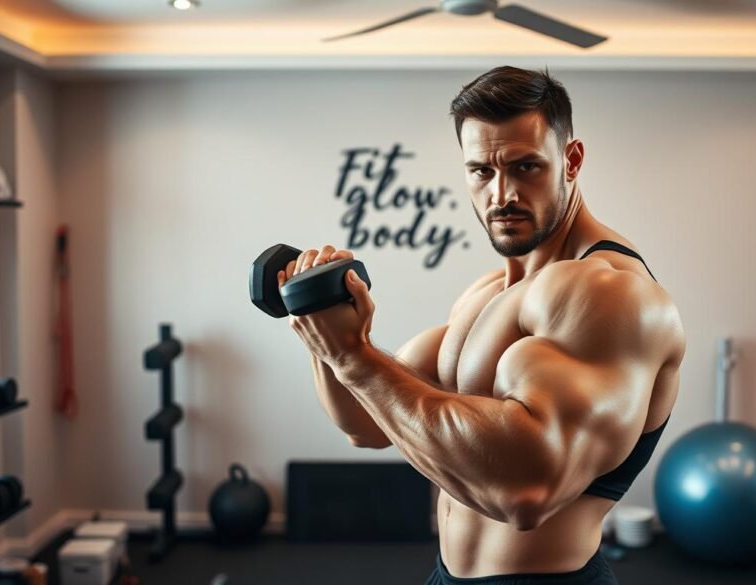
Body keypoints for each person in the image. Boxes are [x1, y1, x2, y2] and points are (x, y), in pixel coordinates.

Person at [281, 66, 685, 585]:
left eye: (525, 167)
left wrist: (356, 359)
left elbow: (526, 494)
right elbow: (365, 424)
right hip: (445, 574)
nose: (502, 195)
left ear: (571, 160)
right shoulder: (487, 293)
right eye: (481, 172)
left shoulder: (609, 292)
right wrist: (325, 334)